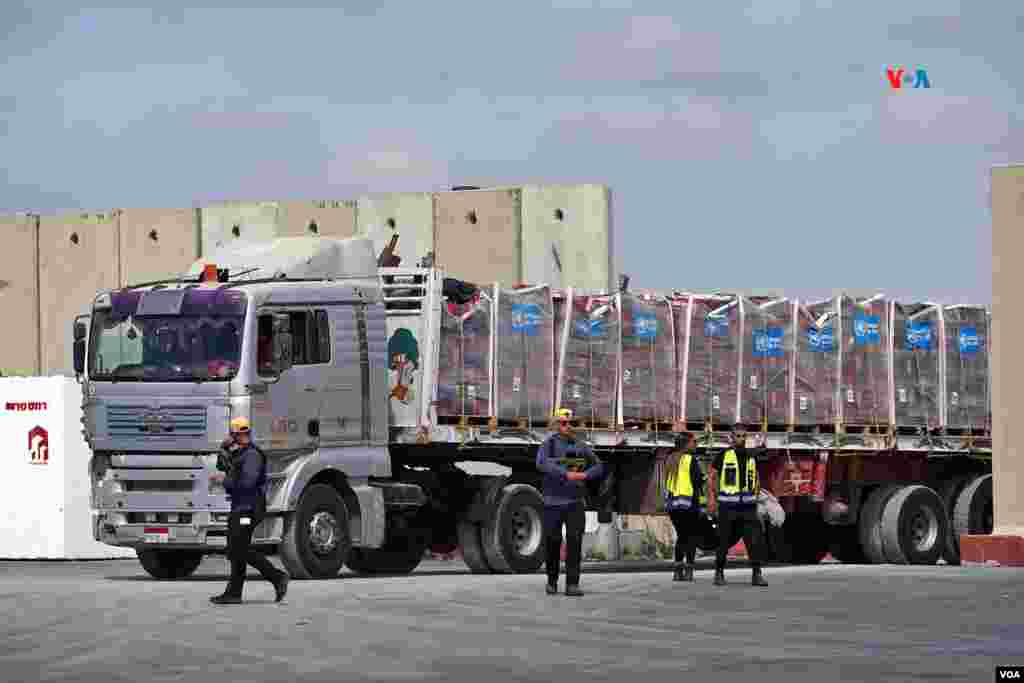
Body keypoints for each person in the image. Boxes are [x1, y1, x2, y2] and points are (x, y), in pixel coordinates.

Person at [209, 417, 290, 604]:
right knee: (235, 549)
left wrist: (224, 482)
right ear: (234, 436)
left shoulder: (252, 455)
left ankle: (277, 577)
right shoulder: (240, 453)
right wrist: (223, 448)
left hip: (249, 510)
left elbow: (247, 482)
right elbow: (222, 465)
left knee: (239, 549)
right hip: (239, 508)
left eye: (245, 433)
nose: (243, 437)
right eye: (239, 434)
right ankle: (234, 593)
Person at [536, 408, 606, 597]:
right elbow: (541, 463)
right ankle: (552, 581)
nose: (568, 426)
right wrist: (565, 473)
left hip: (575, 503)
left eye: (571, 423)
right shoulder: (548, 445)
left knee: (575, 542)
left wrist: (585, 475)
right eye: (564, 423)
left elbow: (599, 466)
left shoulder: (580, 446)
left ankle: (572, 584)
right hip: (553, 503)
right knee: (553, 542)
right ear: (557, 424)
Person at [706, 432, 767, 587]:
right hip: (728, 507)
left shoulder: (751, 456)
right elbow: (712, 476)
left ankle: (757, 574)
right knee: (723, 540)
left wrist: (757, 494)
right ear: (732, 438)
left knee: (753, 541)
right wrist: (712, 499)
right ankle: (719, 573)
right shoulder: (723, 455)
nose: (741, 438)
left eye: (743, 436)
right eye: (738, 436)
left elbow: (756, 477)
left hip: (748, 507)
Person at [664, 431, 706, 582]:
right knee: (691, 537)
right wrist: (702, 504)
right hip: (689, 504)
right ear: (686, 444)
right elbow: (697, 484)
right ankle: (689, 570)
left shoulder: (669, 459)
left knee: (681, 536)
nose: (696, 444)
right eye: (694, 442)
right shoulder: (690, 460)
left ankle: (677, 571)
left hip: (673, 505)